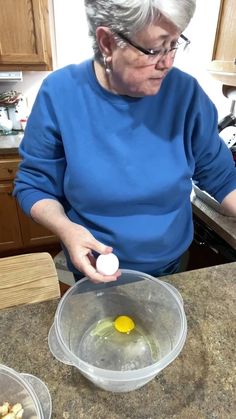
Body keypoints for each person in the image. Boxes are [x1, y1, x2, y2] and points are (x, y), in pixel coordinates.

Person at [14, 0, 236, 284]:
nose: (168, 62)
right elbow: (34, 185)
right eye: (155, 49)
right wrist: (66, 229)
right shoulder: (60, 94)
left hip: (170, 266)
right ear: (107, 43)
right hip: (93, 268)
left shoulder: (186, 94)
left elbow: (222, 177)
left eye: (174, 43)